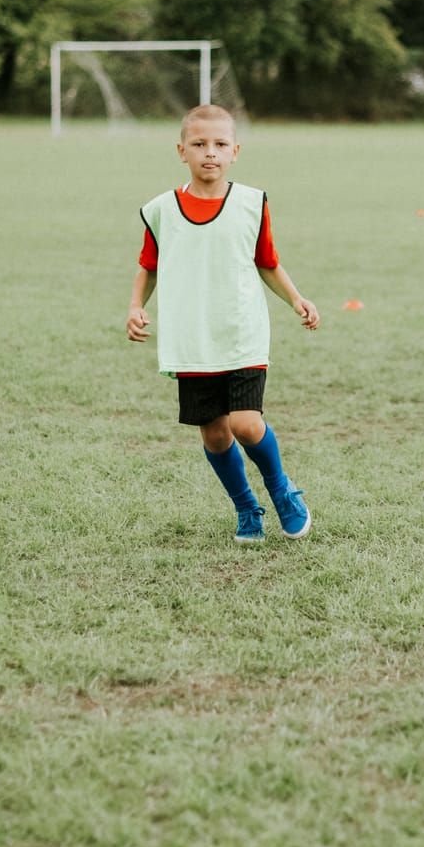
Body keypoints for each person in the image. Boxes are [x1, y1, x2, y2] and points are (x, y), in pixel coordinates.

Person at [127, 104, 318, 543]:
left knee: (245, 424)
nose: (209, 153)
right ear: (181, 151)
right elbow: (148, 264)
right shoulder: (161, 210)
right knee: (214, 435)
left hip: (241, 333)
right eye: (199, 144)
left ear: (235, 150)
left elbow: (267, 262)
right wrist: (136, 306)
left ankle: (281, 490)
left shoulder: (252, 203)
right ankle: (246, 508)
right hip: (191, 339)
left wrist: (297, 299)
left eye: (219, 145)